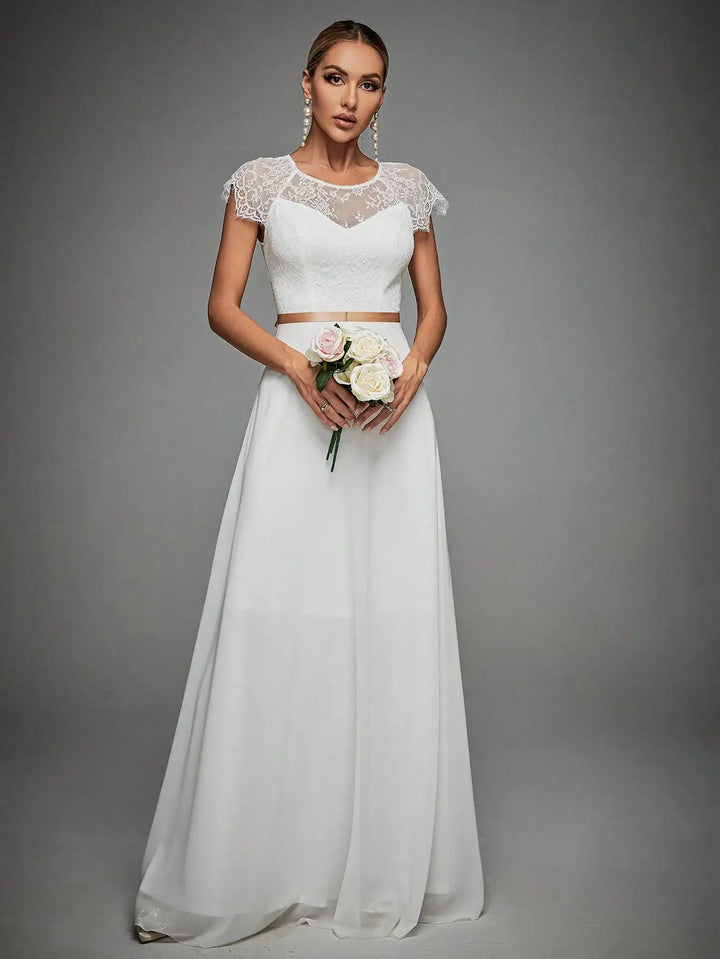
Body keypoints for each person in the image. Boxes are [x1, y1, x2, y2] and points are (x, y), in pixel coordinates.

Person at [133, 18, 485, 948]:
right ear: (305, 82)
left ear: (382, 98)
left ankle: (374, 859)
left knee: (388, 616)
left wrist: (409, 372)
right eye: (336, 78)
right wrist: (297, 369)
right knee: (279, 613)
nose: (351, 99)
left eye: (370, 85)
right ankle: (261, 859)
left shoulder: (407, 189)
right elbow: (221, 303)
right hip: (298, 417)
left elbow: (435, 305)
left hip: (392, 431)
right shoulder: (259, 182)